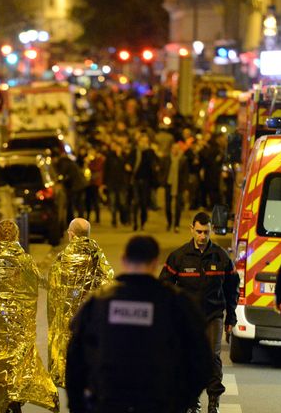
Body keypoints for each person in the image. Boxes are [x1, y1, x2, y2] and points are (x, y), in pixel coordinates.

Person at [66, 235, 213, 413]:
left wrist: (79, 407)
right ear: (155, 263)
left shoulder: (98, 303)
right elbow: (202, 362)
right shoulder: (176, 304)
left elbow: (74, 361)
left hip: (108, 404)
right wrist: (179, 403)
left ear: (123, 260)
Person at [159, 212, 239, 413]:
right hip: (187, 318)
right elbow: (164, 288)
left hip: (213, 315)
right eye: (199, 231)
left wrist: (231, 315)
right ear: (191, 229)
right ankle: (191, 402)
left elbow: (232, 288)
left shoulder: (221, 257)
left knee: (212, 357)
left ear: (211, 230)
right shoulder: (179, 257)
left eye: (206, 232)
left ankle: (213, 402)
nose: (203, 236)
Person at [0, 219, 59, 413]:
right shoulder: (24, 259)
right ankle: (17, 400)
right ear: (17, 235)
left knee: (0, 362)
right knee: (20, 360)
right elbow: (37, 283)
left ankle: (7, 404)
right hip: (20, 321)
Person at [47, 218, 113, 388]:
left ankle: (68, 377)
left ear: (71, 234)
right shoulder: (96, 254)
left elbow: (53, 287)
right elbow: (108, 280)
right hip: (90, 314)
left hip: (68, 316)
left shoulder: (63, 257)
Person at [127, 134, 159, 231]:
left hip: (146, 181)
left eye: (146, 141)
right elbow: (128, 161)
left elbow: (156, 162)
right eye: (142, 141)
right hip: (136, 180)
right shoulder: (135, 151)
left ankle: (142, 223)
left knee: (144, 204)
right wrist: (128, 165)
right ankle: (135, 223)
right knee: (136, 202)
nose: (144, 143)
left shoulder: (150, 152)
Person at [165, 142, 190, 233]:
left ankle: (176, 225)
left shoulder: (183, 160)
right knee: (167, 206)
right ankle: (169, 223)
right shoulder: (167, 158)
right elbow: (163, 170)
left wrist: (186, 187)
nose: (175, 150)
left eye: (177, 148)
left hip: (179, 185)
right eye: (173, 148)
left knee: (178, 206)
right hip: (169, 184)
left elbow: (186, 175)